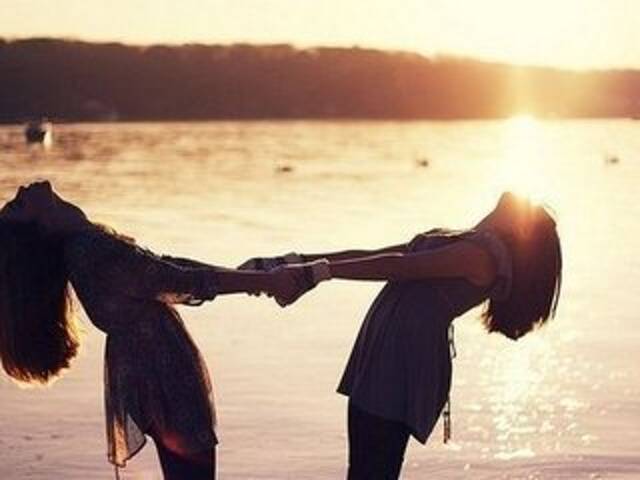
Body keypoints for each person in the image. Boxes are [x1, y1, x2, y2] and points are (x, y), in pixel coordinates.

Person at [240, 191, 563, 480]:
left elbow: (398, 267)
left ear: (521, 231)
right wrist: (295, 262)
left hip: (402, 364)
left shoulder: (482, 257)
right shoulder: (465, 241)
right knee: (364, 468)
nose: (518, 195)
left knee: (374, 469)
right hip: (383, 354)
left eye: (528, 207)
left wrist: (315, 274)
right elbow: (371, 254)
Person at [0, 180, 303, 480]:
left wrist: (244, 276)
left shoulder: (84, 245)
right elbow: (177, 280)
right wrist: (267, 281)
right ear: (40, 229)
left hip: (146, 367)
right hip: (162, 370)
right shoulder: (90, 249)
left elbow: (165, 268)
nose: (21, 190)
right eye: (19, 205)